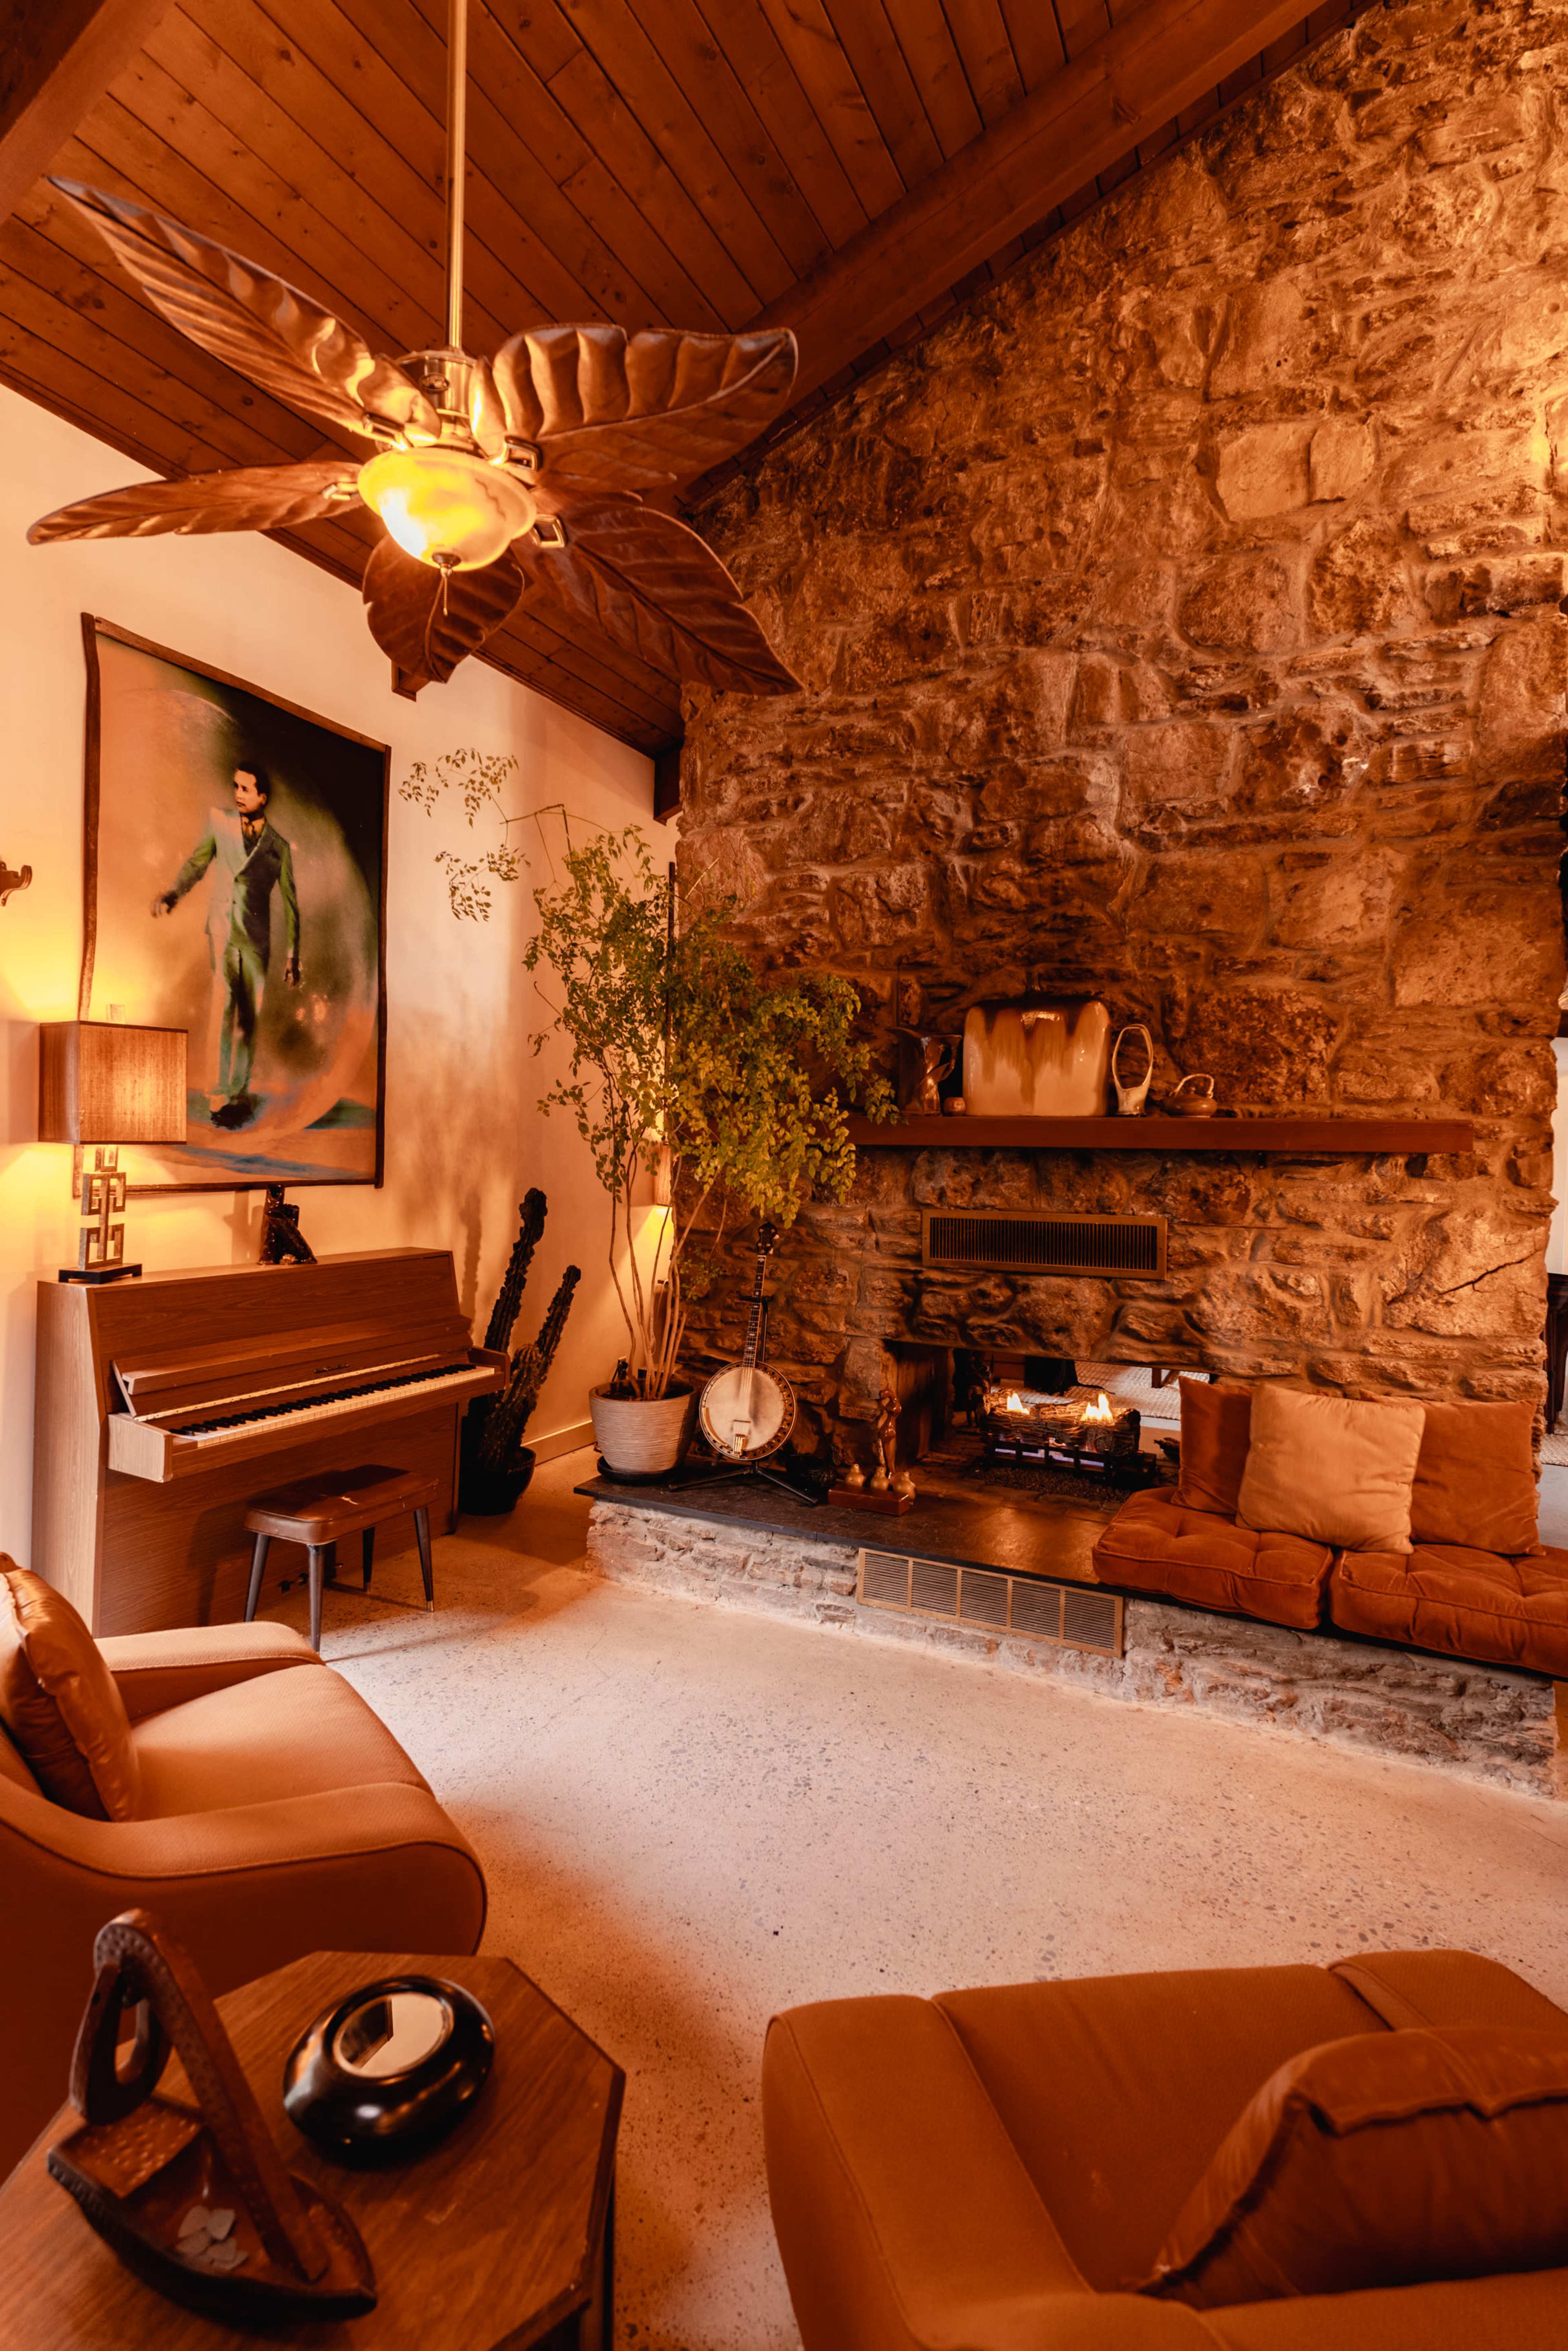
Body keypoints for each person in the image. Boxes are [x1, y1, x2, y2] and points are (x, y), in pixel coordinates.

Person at [152, 759, 300, 1128]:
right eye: (236, 786)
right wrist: (173, 894)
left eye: (246, 789)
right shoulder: (219, 822)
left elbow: (290, 903)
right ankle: (218, 1096)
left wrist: (293, 955)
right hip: (221, 929)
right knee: (222, 1010)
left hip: (257, 939)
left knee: (249, 1019)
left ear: (263, 797)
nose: (238, 794)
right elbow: (198, 863)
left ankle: (239, 1094)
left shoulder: (279, 847)